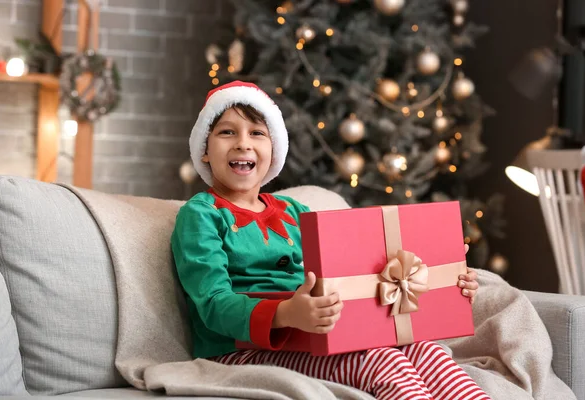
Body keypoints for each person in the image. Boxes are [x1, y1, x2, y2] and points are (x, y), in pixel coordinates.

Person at [171, 81, 489, 400]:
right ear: (204, 150)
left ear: (274, 150)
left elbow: (356, 278)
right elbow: (212, 303)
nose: (243, 144)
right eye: (227, 132)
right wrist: (285, 314)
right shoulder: (201, 214)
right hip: (239, 352)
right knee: (383, 361)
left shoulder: (296, 212)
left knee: (426, 351)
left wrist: (442, 280)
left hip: (316, 337)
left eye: (257, 133)